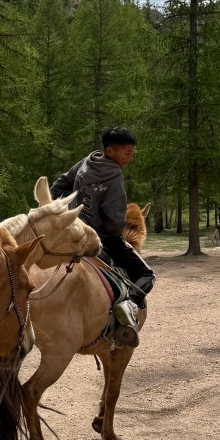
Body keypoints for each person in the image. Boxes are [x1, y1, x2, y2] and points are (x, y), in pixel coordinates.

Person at [50, 126, 155, 346]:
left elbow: (59, 185)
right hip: (102, 240)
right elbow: (114, 222)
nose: (130, 158)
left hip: (73, 233)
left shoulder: (86, 163)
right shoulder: (114, 177)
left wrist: (58, 211)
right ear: (110, 151)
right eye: (127, 153)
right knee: (146, 274)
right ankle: (127, 309)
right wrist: (116, 233)